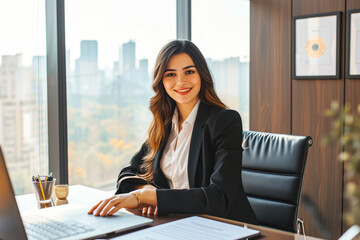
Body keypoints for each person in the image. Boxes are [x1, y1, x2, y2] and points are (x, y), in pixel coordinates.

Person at [88, 40, 258, 225]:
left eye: (189, 71)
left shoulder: (224, 122)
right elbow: (128, 173)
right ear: (161, 80)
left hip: (224, 227)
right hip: (177, 224)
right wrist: (146, 192)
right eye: (171, 74)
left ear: (202, 74)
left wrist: (152, 197)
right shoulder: (165, 123)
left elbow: (218, 198)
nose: (181, 81)